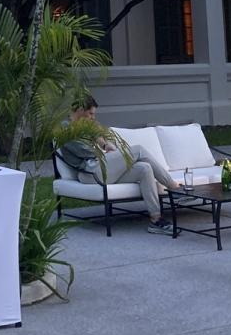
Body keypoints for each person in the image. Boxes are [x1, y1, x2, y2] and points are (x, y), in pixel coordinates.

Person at [61, 96, 176, 235]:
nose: (93, 117)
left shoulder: (86, 126)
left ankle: (156, 220)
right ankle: (174, 188)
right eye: (90, 113)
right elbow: (86, 152)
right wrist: (109, 150)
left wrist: (103, 142)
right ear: (80, 110)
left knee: (144, 168)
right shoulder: (65, 128)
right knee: (138, 150)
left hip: (104, 169)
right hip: (90, 173)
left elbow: (107, 142)